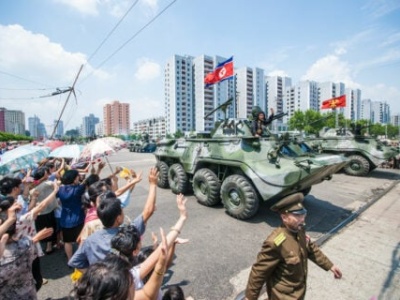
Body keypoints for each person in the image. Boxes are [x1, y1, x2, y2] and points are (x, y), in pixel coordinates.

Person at [245, 193, 342, 300]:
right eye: (297, 216)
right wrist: (250, 298)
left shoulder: (299, 229)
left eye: (303, 214)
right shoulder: (275, 242)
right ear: (284, 217)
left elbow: (310, 248)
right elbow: (259, 272)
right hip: (283, 296)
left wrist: (330, 266)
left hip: (299, 291)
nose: (302, 219)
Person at [68, 167, 159, 270]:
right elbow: (148, 211)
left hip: (100, 283)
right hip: (123, 282)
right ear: (118, 218)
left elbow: (74, 261)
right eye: (121, 210)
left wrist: (95, 268)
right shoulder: (128, 233)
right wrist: (153, 184)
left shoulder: (90, 240)